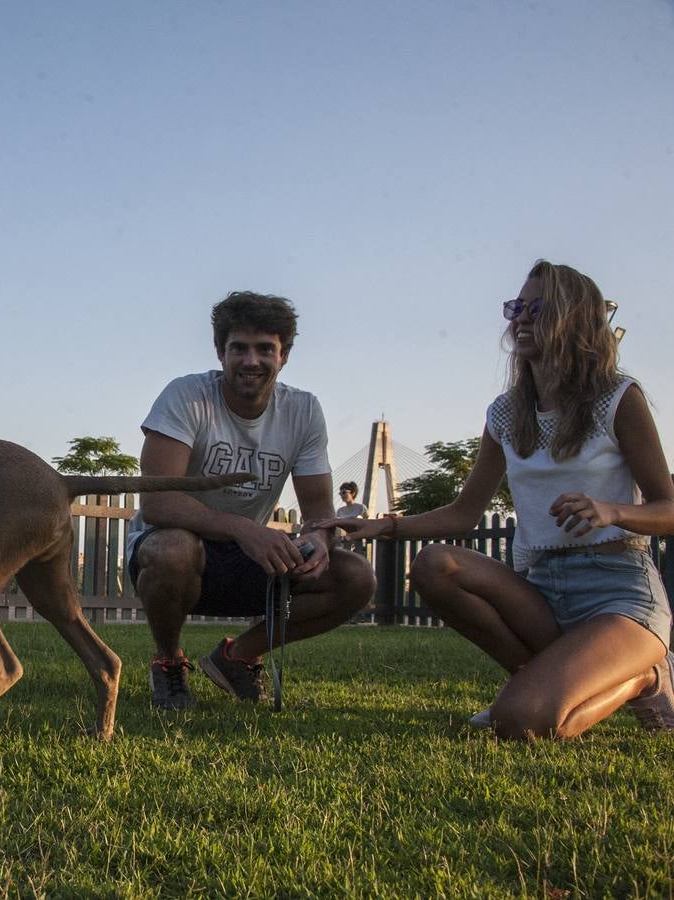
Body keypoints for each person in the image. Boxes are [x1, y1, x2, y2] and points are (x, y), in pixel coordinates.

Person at [319, 260, 674, 738]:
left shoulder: (618, 398)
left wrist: (613, 511)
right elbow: (466, 511)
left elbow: (667, 509)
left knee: (519, 723)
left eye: (537, 308)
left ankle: (643, 675)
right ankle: (558, 681)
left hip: (617, 591)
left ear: (577, 317)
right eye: (516, 307)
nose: (520, 318)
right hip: (541, 589)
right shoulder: (506, 413)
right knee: (433, 564)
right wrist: (385, 526)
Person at [125, 291, 376, 709]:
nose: (251, 360)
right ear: (220, 352)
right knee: (172, 547)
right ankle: (168, 660)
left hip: (253, 560)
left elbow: (318, 512)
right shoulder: (185, 397)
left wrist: (317, 542)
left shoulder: (304, 410)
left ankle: (238, 656)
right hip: (182, 554)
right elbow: (158, 502)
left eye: (265, 349)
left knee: (357, 577)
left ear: (285, 355)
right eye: (238, 348)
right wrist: (244, 528)